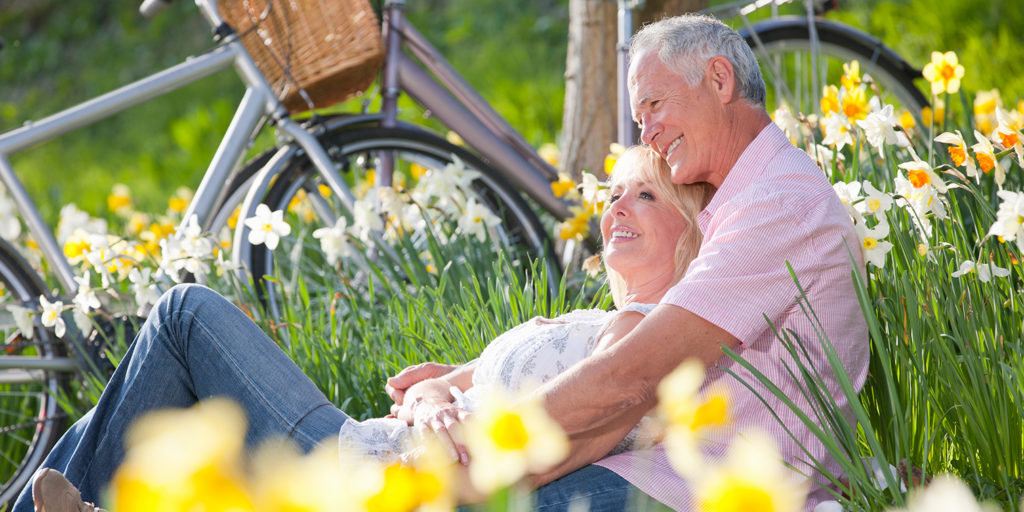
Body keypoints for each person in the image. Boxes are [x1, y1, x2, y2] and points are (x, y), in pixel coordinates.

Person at [18, 145, 715, 512]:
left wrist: (443, 439)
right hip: (371, 439)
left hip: (367, 471)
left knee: (182, 317)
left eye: (646, 194)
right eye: (614, 192)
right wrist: (436, 399)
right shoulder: (592, 318)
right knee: (155, 375)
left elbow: (568, 425)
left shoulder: (644, 335)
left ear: (690, 232)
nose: (618, 205)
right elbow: (435, 384)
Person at [387, 13, 870, 511]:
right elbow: (629, 387)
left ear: (720, 80)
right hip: (664, 470)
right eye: (640, 119)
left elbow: (632, 376)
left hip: (706, 489)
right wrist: (458, 388)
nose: (650, 132)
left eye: (655, 105)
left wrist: (483, 440)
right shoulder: (743, 199)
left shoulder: (779, 203)